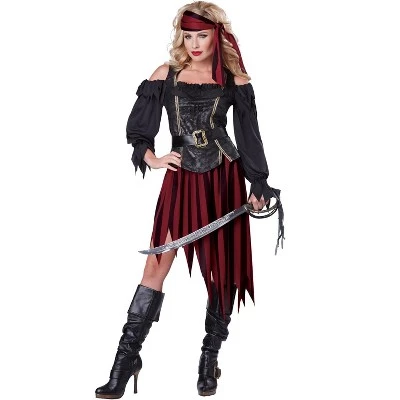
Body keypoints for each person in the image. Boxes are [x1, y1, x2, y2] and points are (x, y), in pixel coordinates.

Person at [95, 1, 284, 398]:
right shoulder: (165, 75)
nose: (195, 43)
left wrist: (259, 184)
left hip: (223, 180)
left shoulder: (234, 80)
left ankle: (208, 358)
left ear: (217, 36)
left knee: (222, 272)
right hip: (180, 181)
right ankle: (125, 361)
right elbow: (139, 131)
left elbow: (249, 136)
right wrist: (153, 158)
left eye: (202, 35)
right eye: (188, 35)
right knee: (154, 268)